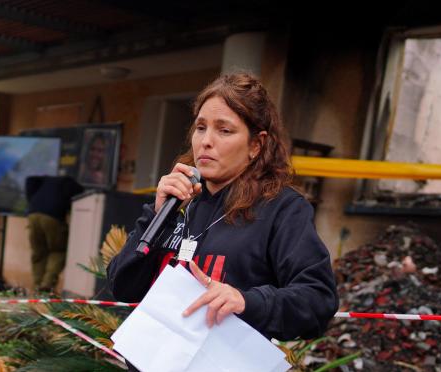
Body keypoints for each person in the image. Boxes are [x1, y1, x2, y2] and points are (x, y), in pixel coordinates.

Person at [107, 73, 338, 342]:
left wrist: (246, 302)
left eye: (224, 130)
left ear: (256, 145)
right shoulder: (176, 201)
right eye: (201, 127)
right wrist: (158, 217)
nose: (206, 141)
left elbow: (318, 300)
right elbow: (122, 287)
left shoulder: (282, 209)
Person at [25, 175, 84, 293]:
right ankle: (46, 285)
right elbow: (79, 196)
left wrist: (32, 201)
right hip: (53, 216)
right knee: (58, 251)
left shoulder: (45, 180)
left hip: (33, 214)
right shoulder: (70, 182)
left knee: (38, 252)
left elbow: (29, 180)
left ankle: (37, 287)